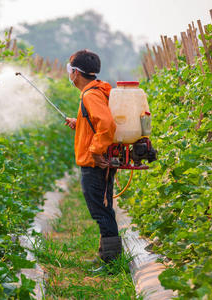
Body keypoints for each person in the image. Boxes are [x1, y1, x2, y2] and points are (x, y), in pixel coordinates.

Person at [64, 49, 122, 267]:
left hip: (94, 164)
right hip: (100, 162)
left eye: (70, 70)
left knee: (101, 211)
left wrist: (96, 151)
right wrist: (78, 122)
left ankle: (112, 263)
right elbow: (97, 123)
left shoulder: (90, 94)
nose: (69, 74)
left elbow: (106, 124)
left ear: (77, 72)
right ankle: (106, 257)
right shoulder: (98, 90)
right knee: (104, 209)